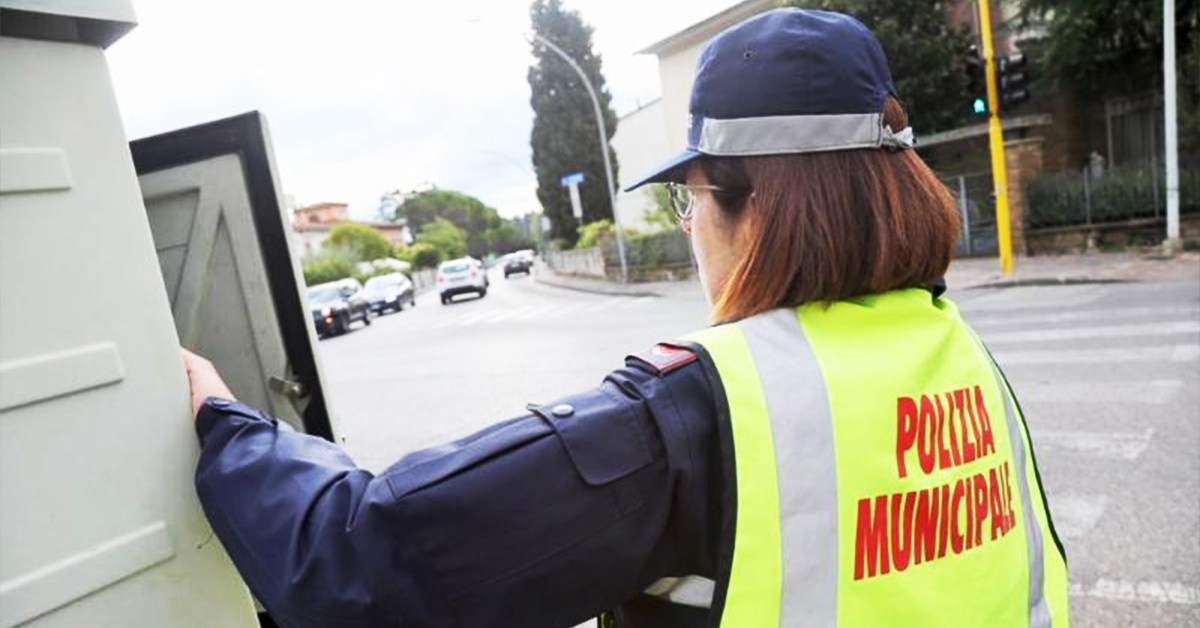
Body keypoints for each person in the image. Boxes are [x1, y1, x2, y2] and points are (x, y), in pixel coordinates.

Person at [183, 9, 1069, 628]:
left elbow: (365, 567)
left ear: (748, 207)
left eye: (691, 206)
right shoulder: (956, 351)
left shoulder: (698, 415)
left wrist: (226, 427)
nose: (694, 239)